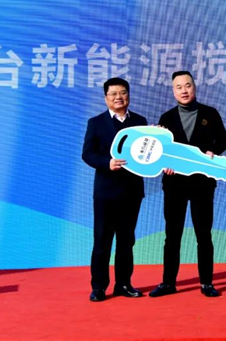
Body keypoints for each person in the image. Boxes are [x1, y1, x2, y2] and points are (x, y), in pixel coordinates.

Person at [149, 71, 226, 298]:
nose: (184, 91)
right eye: (179, 87)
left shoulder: (210, 113)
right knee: (172, 235)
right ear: (173, 91)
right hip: (174, 184)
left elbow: (223, 140)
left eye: (187, 86)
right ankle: (168, 282)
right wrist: (164, 163)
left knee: (203, 234)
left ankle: (206, 283)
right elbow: (160, 150)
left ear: (194, 87)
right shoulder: (166, 118)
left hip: (202, 182)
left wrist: (213, 151)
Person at [82, 77, 148, 302]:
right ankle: (99, 287)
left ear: (129, 95)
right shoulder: (96, 122)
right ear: (106, 98)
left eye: (123, 93)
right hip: (106, 192)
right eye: (113, 94)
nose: (119, 97)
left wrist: (159, 137)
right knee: (102, 241)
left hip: (132, 191)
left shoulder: (140, 122)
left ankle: (124, 284)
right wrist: (106, 163)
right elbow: (87, 154)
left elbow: (149, 152)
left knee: (126, 241)